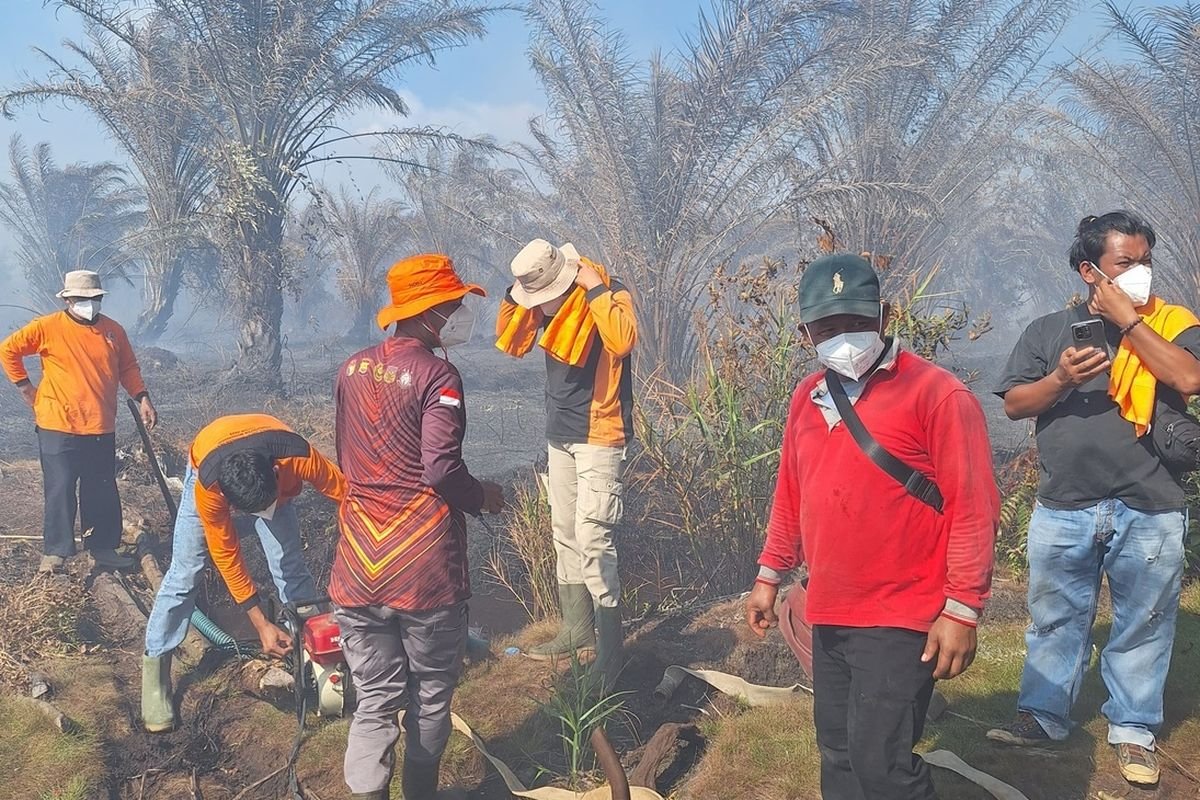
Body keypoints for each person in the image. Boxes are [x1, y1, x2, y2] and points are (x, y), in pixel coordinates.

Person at [745, 253, 999, 800]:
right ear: (806, 333)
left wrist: (962, 608)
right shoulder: (807, 397)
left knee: (881, 764)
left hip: (902, 611)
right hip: (830, 608)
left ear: (886, 316)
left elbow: (974, 507)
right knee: (837, 752)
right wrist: (769, 574)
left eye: (857, 322)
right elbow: (792, 493)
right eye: (827, 328)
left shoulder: (937, 394)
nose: (843, 338)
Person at [987, 211, 1200, 787]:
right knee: (1055, 618)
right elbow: (1015, 405)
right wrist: (1060, 380)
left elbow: (1188, 379)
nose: (1140, 272)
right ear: (1090, 271)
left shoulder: (1171, 324)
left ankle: (1133, 730)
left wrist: (1130, 323)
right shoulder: (1048, 331)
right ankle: (1043, 717)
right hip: (1066, 502)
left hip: (1150, 501)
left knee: (1145, 622)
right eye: (1125, 262)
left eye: (1145, 260)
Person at [331, 254, 504, 800]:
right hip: (423, 568)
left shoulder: (351, 369)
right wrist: (482, 498)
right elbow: (441, 469)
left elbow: (348, 457)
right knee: (430, 696)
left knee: (375, 699)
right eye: (454, 305)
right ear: (429, 312)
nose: (461, 314)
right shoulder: (438, 375)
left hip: (358, 563)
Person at [140, 414, 347, 733]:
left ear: (275, 473)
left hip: (270, 451)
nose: (263, 516)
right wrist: (261, 624)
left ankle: (314, 656)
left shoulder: (298, 456)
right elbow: (226, 555)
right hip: (208, 452)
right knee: (186, 571)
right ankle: (156, 674)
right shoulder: (210, 488)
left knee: (289, 564)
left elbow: (347, 496)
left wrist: (357, 553)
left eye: (266, 506)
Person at [495, 239, 637, 687]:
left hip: (599, 432)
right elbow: (512, 338)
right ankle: (577, 629)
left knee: (594, 538)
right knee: (566, 532)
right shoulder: (545, 305)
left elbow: (623, 340)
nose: (539, 306)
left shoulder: (608, 291)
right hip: (560, 431)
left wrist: (595, 289)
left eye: (542, 295)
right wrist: (513, 294)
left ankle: (611, 654)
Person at [1, 269, 157, 574]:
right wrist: (26, 388)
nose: (90, 303)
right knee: (60, 488)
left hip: (100, 425)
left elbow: (128, 367)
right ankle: (55, 553)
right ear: (68, 300)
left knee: (101, 489)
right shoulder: (47, 327)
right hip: (57, 425)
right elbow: (8, 350)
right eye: (83, 298)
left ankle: (103, 548)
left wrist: (142, 397)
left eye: (95, 298)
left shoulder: (113, 331)